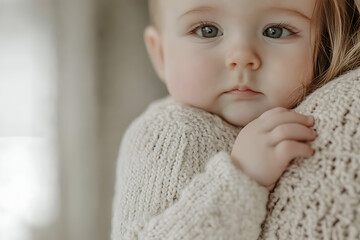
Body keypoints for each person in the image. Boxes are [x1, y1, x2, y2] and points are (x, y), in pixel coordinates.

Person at [111, 0, 360, 239]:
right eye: (207, 30)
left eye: (276, 31)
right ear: (160, 54)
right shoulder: (168, 133)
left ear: (325, 44)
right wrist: (242, 175)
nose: (242, 57)